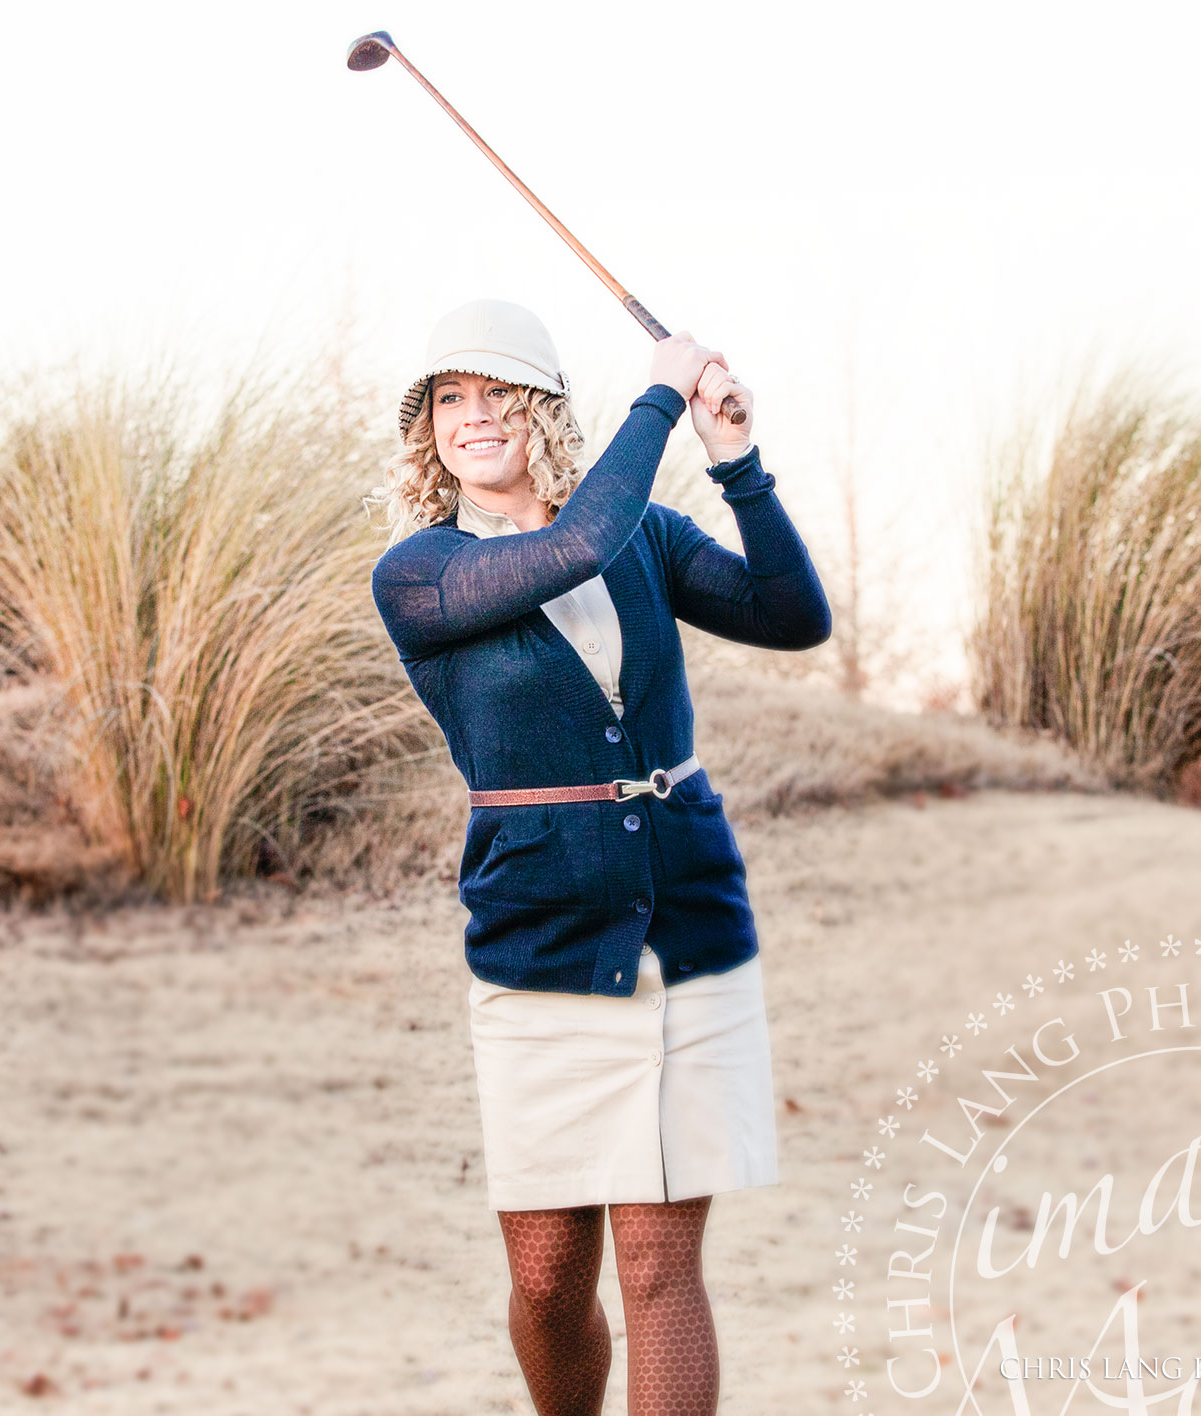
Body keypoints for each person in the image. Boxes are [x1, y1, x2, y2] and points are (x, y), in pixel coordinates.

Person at [369, 300, 829, 1415]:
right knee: (548, 1283)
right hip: (542, 945)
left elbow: (793, 616)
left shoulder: (644, 537)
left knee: (661, 1271)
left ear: (542, 410)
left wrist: (737, 461)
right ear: (429, 430)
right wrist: (662, 393)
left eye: (498, 393)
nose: (473, 417)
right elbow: (570, 546)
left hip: (686, 926)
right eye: (449, 400)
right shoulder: (420, 574)